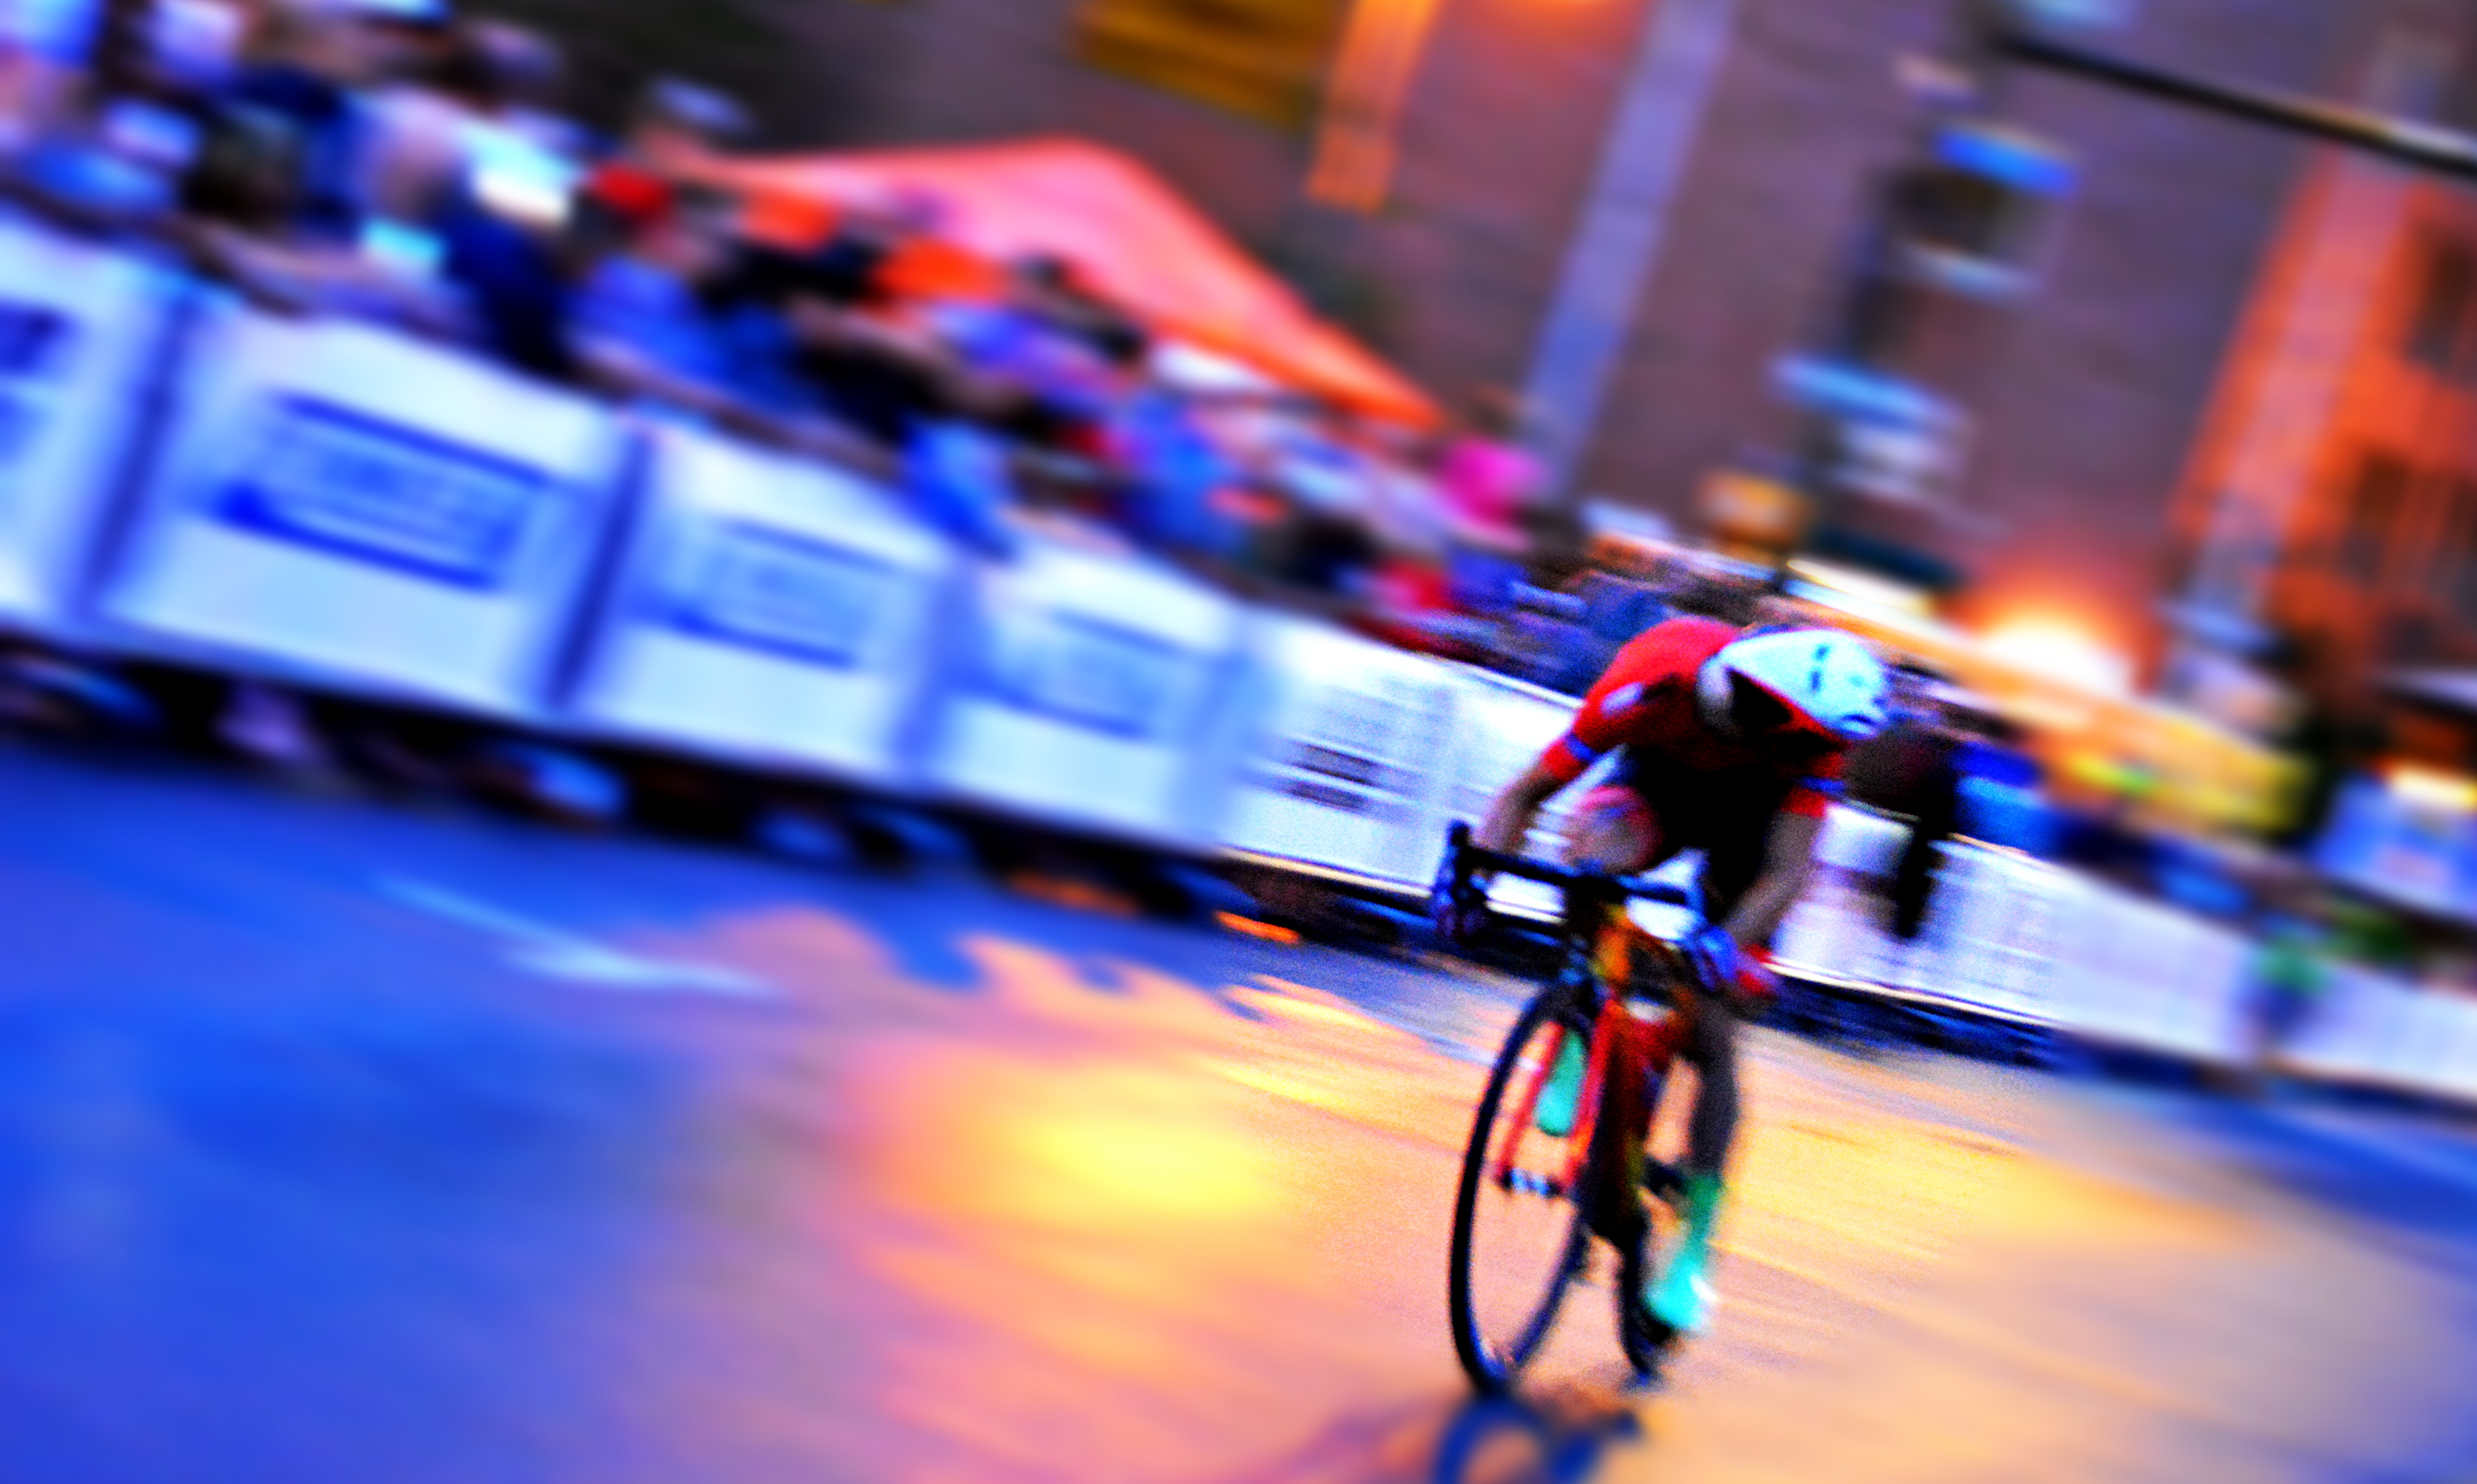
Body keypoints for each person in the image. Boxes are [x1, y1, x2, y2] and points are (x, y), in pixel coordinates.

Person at [1461, 615, 1890, 1340]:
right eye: (1790, 739)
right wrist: (1474, 881)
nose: (1804, 752)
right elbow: (1526, 793)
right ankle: (1577, 1028)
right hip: (1658, 789)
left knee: (1715, 1027)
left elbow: (1787, 873)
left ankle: (1695, 1238)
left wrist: (1728, 943)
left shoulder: (1818, 741)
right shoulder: (1656, 675)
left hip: (1751, 837)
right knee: (1592, 857)